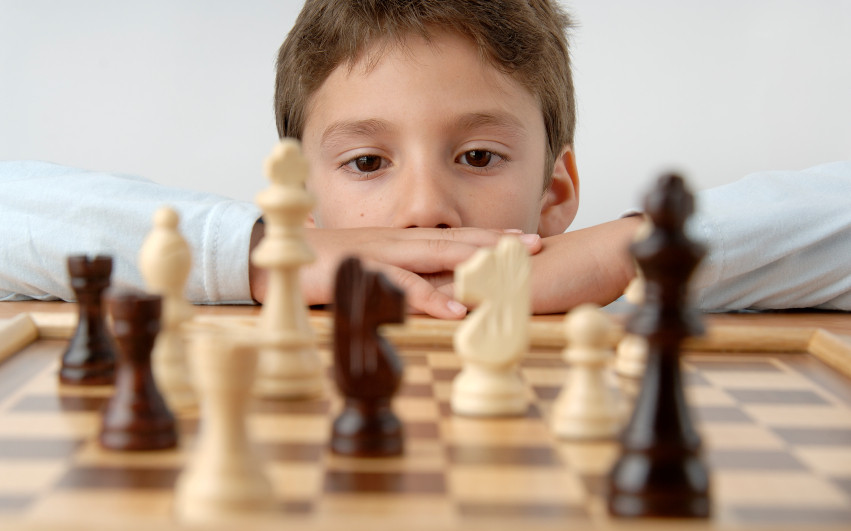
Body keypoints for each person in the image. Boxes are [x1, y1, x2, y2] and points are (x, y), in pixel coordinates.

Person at [1, 0, 850, 317]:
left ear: (554, 193)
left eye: (477, 155)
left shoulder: (614, 308)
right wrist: (263, 253)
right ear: (301, 196)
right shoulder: (257, 296)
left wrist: (627, 251)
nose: (423, 211)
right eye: (367, 163)